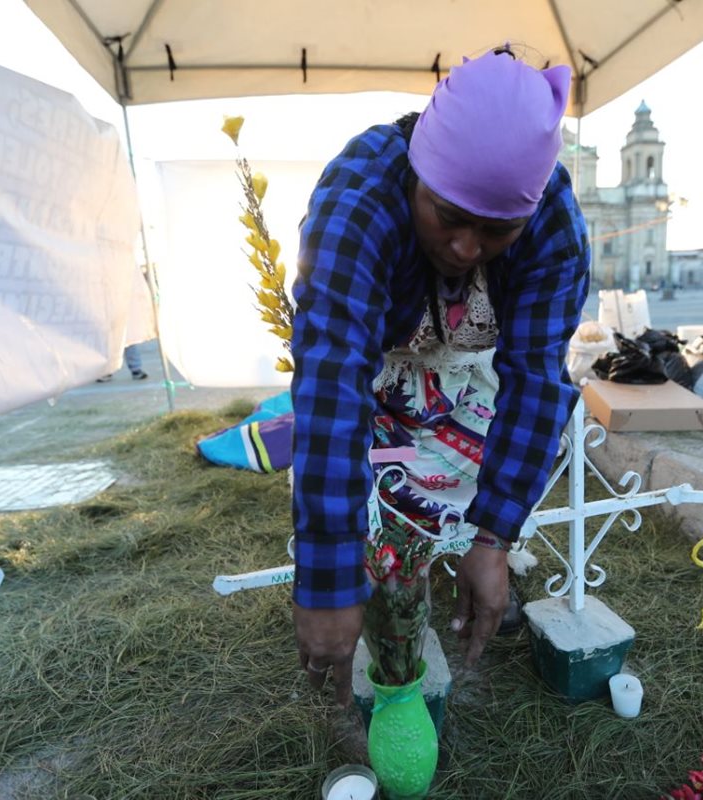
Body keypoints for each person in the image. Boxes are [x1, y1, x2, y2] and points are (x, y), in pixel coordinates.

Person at [290, 48, 589, 705]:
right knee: (382, 507)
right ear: (417, 175)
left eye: (497, 231)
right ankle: (386, 605)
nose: (464, 249)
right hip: (379, 381)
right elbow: (334, 381)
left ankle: (463, 561)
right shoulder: (360, 202)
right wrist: (327, 578)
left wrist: (494, 537)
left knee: (470, 492)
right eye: (447, 216)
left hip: (470, 381)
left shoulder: (554, 225)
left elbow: (536, 380)